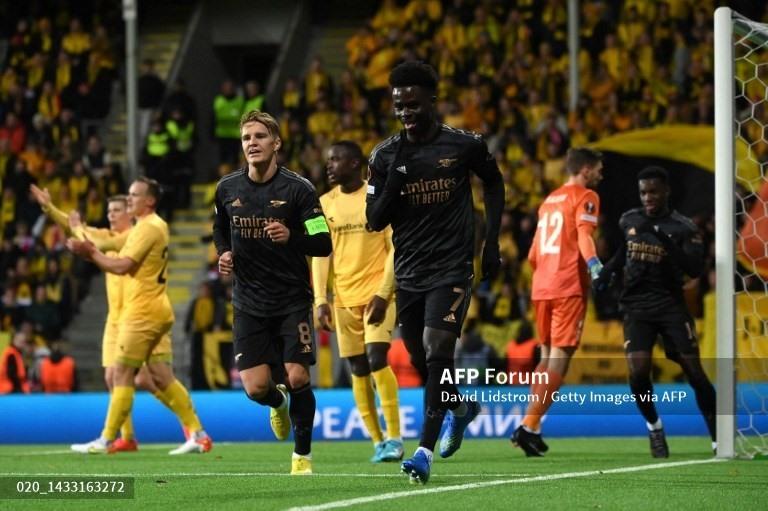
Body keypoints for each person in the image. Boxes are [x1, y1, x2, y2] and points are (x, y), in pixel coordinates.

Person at [365, 61, 504, 484]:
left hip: (453, 266)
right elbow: (374, 219)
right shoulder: (385, 155)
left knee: (437, 344)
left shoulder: (464, 145)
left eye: (412, 104)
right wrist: (394, 180)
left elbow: (493, 184)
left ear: (432, 100)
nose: (405, 112)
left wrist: (491, 241)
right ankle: (460, 409)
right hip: (409, 270)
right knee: (423, 358)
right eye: (398, 106)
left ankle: (423, 451)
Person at [213, 110, 332, 475]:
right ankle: (277, 404)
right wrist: (224, 253)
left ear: (276, 143)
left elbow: (323, 242)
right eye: (247, 137)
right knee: (255, 388)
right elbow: (220, 226)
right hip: (248, 302)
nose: (252, 143)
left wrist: (292, 237)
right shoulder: (227, 189)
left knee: (297, 376)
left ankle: (302, 456)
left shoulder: (300, 190)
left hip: (292, 299)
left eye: (260, 136)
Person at [30, 185, 191, 452]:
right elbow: (79, 232)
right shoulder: (109, 237)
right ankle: (127, 437)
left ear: (131, 212)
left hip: (140, 314)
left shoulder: (136, 237)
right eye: (108, 211)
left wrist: (79, 232)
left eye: (117, 210)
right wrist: (50, 208)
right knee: (113, 377)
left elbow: (84, 237)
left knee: (149, 378)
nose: (111, 215)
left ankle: (189, 425)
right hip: (115, 319)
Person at [66, 177, 213, 455]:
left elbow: (121, 266)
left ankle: (107, 440)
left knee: (121, 372)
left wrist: (91, 254)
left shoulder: (149, 228)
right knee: (160, 375)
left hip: (143, 312)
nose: (129, 199)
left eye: (134, 195)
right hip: (155, 308)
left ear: (150, 201)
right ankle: (198, 434)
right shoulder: (148, 227)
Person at [596, 166, 716, 457]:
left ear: (666, 192)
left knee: (694, 373)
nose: (648, 197)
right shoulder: (629, 220)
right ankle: (655, 427)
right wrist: (607, 272)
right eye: (643, 192)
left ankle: (717, 437)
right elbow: (624, 252)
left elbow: (695, 269)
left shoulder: (683, 227)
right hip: (637, 308)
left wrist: (662, 239)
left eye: (653, 192)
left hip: (671, 306)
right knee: (638, 374)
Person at [312, 140, 403, 463]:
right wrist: (320, 299)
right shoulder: (321, 204)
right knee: (357, 367)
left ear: (354, 164)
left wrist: (383, 292)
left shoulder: (377, 198)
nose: (329, 165)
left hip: (378, 295)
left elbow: (396, 247)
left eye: (335, 159)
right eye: (328, 159)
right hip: (343, 300)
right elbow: (320, 253)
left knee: (377, 357)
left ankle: (395, 436)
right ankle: (378, 441)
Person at [511, 147, 604, 457]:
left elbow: (533, 255)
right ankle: (528, 424)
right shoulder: (586, 195)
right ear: (587, 169)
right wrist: (593, 263)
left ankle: (533, 428)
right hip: (567, 285)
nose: (601, 175)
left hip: (542, 286)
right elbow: (583, 235)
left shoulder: (549, 200)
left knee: (547, 354)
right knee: (560, 357)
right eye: (598, 169)